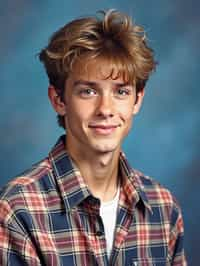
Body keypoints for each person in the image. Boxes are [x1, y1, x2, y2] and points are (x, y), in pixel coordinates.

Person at [0, 9, 186, 266]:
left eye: (121, 91)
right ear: (58, 100)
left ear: (137, 100)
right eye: (88, 91)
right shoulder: (18, 209)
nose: (106, 109)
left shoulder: (164, 209)